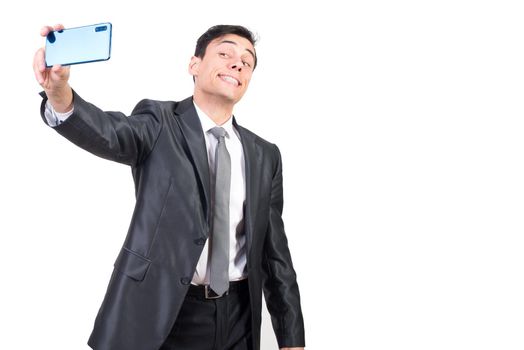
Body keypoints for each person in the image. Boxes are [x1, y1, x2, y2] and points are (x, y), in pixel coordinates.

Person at [33, 24, 305, 350]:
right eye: (225, 53)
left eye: (247, 62)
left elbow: (275, 257)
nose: (238, 64)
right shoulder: (159, 122)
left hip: (238, 319)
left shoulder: (265, 155)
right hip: (163, 313)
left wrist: (291, 338)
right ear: (194, 65)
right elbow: (107, 131)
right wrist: (59, 93)